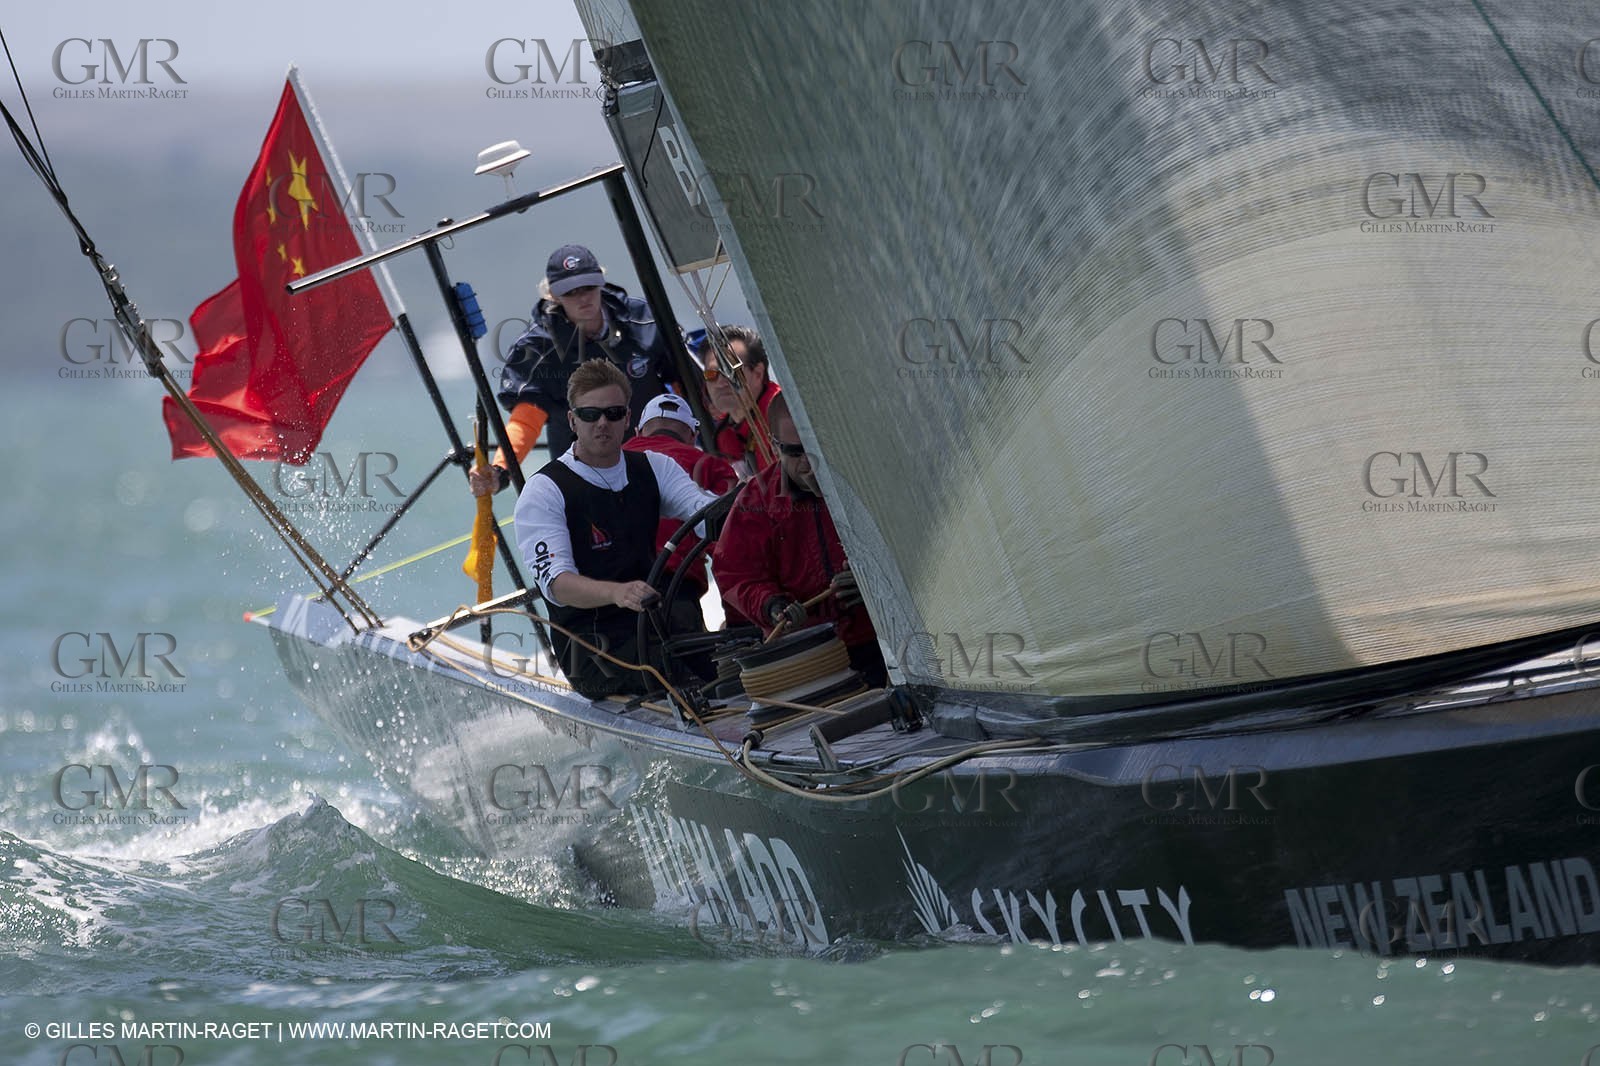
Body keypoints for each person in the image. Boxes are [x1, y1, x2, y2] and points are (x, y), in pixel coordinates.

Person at [514, 360, 719, 699]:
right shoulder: (545, 491)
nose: (602, 423)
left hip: (655, 625)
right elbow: (557, 584)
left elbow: (702, 510)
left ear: (627, 418)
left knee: (729, 661)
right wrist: (617, 593)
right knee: (687, 675)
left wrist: (741, 508)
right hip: (593, 651)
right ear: (572, 420)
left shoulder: (655, 467)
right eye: (590, 415)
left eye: (613, 413)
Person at [471, 244, 679, 496]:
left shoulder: (643, 319)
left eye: (588, 287)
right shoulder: (537, 349)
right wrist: (499, 471)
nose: (582, 298)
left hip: (661, 462)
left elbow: (686, 384)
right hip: (585, 481)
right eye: (570, 292)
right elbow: (526, 421)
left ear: (601, 282)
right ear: (553, 295)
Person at [712, 392, 887, 686]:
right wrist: (772, 606)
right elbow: (736, 574)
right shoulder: (756, 501)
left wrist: (875, 578)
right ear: (774, 445)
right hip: (811, 655)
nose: (808, 462)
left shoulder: (868, 475)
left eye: (814, 447)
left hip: (886, 637)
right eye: (795, 452)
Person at [620, 394, 741, 629]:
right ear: (693, 436)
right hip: (675, 592)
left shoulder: (605, 464)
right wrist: (740, 623)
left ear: (638, 432)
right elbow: (729, 548)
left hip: (610, 595)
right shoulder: (710, 467)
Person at [694, 324, 781, 477]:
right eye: (711, 374)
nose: (720, 383)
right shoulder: (723, 435)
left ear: (758, 373)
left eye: (730, 371)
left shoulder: (784, 415)